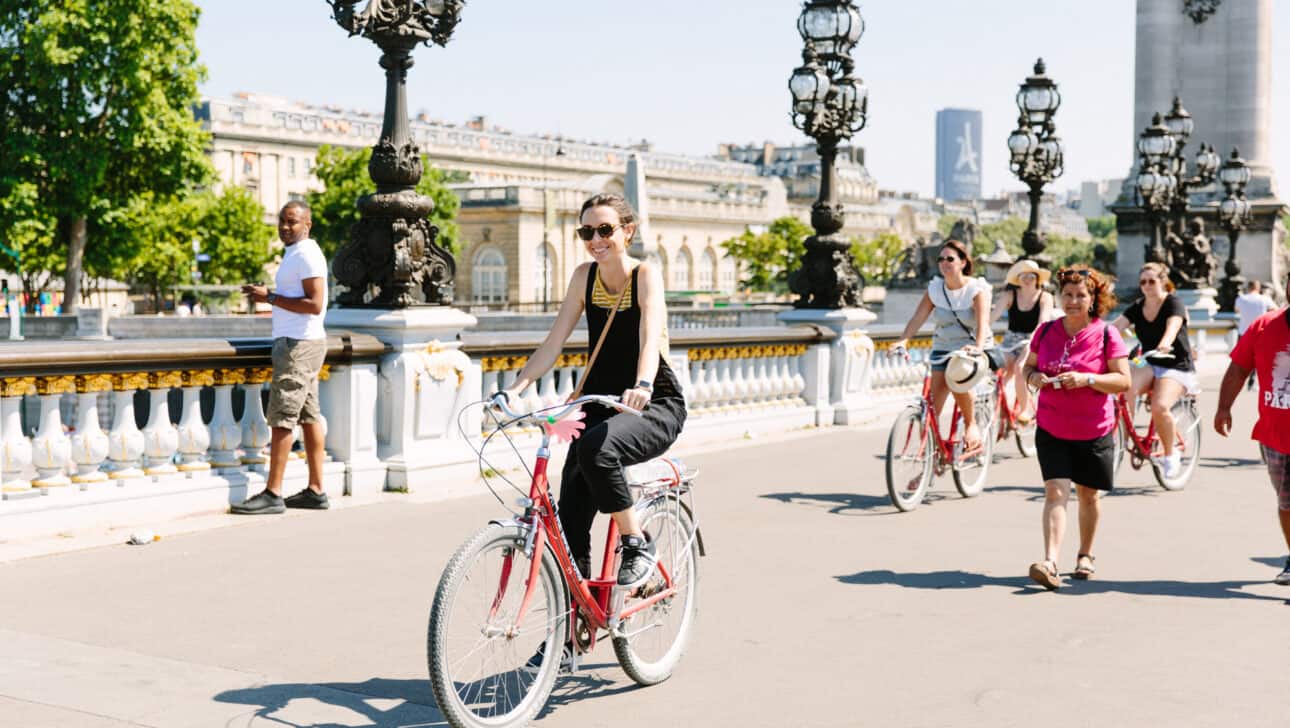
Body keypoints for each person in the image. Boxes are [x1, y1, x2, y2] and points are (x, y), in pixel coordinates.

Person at [497, 193, 686, 589]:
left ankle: (636, 542)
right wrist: (514, 388)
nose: (596, 239)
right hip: (598, 401)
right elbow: (553, 343)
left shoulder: (644, 275)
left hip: (652, 402)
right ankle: (570, 639)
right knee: (571, 520)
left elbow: (650, 337)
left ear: (627, 231)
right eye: (587, 231)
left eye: (605, 230)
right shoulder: (584, 276)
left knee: (596, 450)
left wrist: (643, 384)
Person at [1021, 266, 1131, 589]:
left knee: (1088, 494)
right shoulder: (1045, 332)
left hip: (1093, 430)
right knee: (1055, 492)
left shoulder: (1108, 334)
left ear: (1094, 299)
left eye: (1080, 295)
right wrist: (1034, 378)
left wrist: (1088, 379)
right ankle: (1050, 562)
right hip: (1052, 426)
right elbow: (1028, 367)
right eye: (1067, 295)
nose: (1072, 301)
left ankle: (1085, 554)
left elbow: (1123, 380)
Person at [233, 201, 330, 514]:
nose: (285, 227)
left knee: (282, 417)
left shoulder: (306, 254)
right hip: (303, 341)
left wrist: (269, 297)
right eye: (282, 222)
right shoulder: (296, 254)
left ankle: (273, 492)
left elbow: (314, 304)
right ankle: (316, 490)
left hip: (298, 344)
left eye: (293, 222)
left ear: (307, 224)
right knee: (308, 416)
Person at [890, 238, 994, 452]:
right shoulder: (936, 288)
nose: (944, 263)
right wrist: (903, 340)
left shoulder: (976, 289)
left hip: (968, 350)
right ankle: (934, 460)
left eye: (950, 259)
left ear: (963, 262)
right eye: (940, 259)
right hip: (942, 348)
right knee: (931, 413)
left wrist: (978, 347)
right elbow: (918, 317)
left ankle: (971, 424)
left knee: (957, 378)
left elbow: (983, 324)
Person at [1214, 294, 1290, 585]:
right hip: (1275, 435)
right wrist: (1223, 408)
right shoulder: (1264, 326)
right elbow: (1238, 369)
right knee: (1286, 502)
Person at [1111, 262, 1198, 480]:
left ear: (1163, 282)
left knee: (1160, 407)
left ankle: (1171, 454)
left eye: (1152, 281)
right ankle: (1123, 435)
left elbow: (1174, 326)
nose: (1147, 285)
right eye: (1143, 282)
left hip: (1174, 362)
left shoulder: (1173, 303)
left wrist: (1165, 342)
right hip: (1149, 362)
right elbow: (1115, 327)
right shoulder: (1138, 306)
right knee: (1123, 386)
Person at [991, 259, 1054, 425]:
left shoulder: (1045, 297)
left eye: (1031, 276)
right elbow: (993, 316)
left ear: (1038, 279)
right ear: (1017, 279)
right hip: (1011, 339)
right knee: (998, 369)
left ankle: (1025, 409)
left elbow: (1043, 322)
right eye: (1023, 276)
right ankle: (999, 408)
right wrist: (979, 330)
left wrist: (1033, 339)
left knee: (1020, 368)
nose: (1027, 279)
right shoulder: (1009, 295)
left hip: (1033, 339)